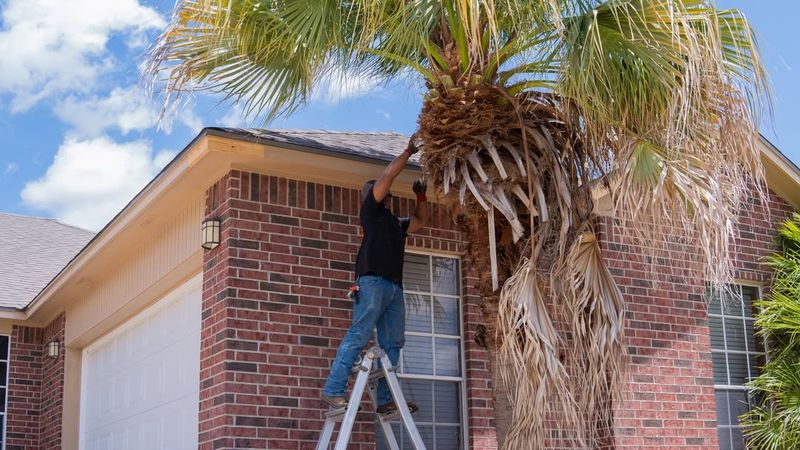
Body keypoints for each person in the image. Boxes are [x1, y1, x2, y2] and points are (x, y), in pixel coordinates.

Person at [321, 135, 429, 415]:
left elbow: (420, 221)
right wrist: (408, 152)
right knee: (359, 335)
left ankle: (384, 402)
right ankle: (333, 390)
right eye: (382, 192)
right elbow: (386, 177)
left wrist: (421, 196)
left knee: (393, 343)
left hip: (394, 289)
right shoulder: (369, 211)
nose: (387, 195)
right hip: (371, 283)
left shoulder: (395, 223)